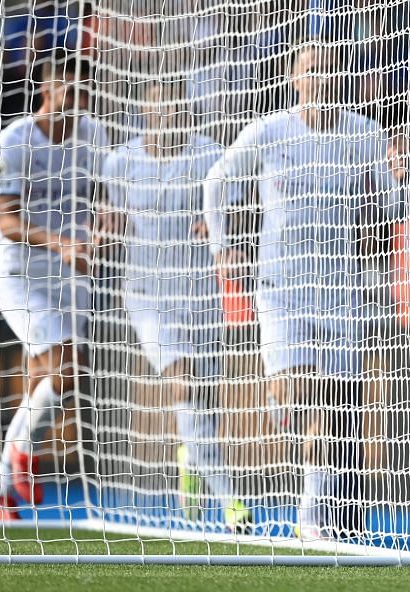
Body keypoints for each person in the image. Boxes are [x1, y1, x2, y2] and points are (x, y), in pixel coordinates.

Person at [203, 41, 401, 539]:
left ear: (346, 79)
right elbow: (216, 182)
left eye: (332, 70)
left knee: (337, 409)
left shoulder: (367, 134)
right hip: (280, 286)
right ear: (294, 79)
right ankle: (288, 419)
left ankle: (312, 517)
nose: (323, 78)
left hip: (342, 286)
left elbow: (388, 212)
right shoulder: (270, 131)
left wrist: (397, 184)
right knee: (300, 392)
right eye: (312, 70)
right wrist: (225, 246)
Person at [101, 81, 250, 532]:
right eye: (159, 107)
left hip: (202, 294)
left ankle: (192, 459)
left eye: (176, 107)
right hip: (146, 295)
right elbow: (107, 215)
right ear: (145, 112)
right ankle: (233, 504)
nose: (168, 115)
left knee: (205, 401)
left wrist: (223, 228)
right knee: (183, 383)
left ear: (187, 111)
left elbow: (239, 209)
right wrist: (105, 228)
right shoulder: (119, 162)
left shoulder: (211, 156)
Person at [0, 54, 107, 518]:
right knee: (63, 364)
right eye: (68, 90)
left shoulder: (93, 135)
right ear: (47, 89)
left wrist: (101, 230)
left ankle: (4, 486)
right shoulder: (15, 141)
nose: (76, 101)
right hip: (21, 269)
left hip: (71, 268)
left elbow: (105, 199)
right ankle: (23, 455)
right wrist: (59, 242)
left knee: (63, 375)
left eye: (83, 93)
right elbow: (5, 219)